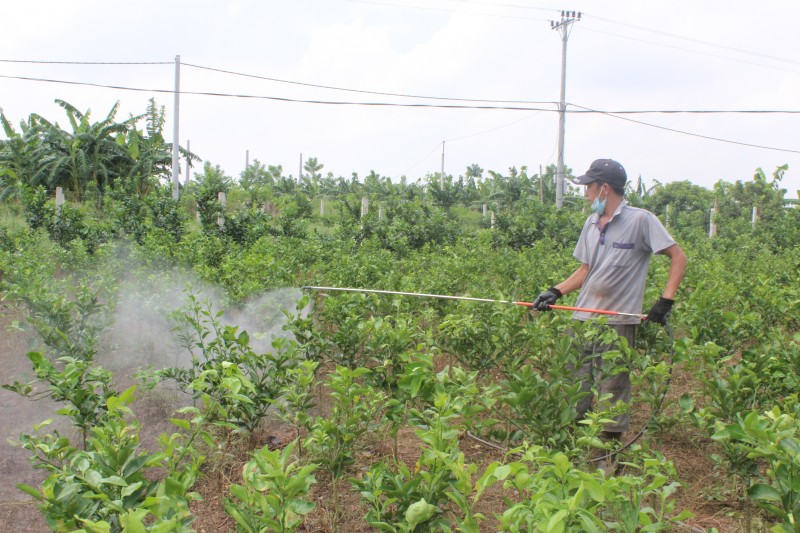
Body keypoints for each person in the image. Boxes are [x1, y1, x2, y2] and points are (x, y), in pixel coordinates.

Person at [533, 158, 687, 473]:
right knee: (577, 387)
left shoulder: (641, 221)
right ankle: (576, 457)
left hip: (617, 323)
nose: (586, 194)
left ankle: (605, 463)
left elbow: (678, 257)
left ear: (604, 188)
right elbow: (585, 270)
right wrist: (556, 291)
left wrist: (665, 301)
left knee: (612, 390)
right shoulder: (590, 223)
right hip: (582, 321)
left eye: (588, 187)